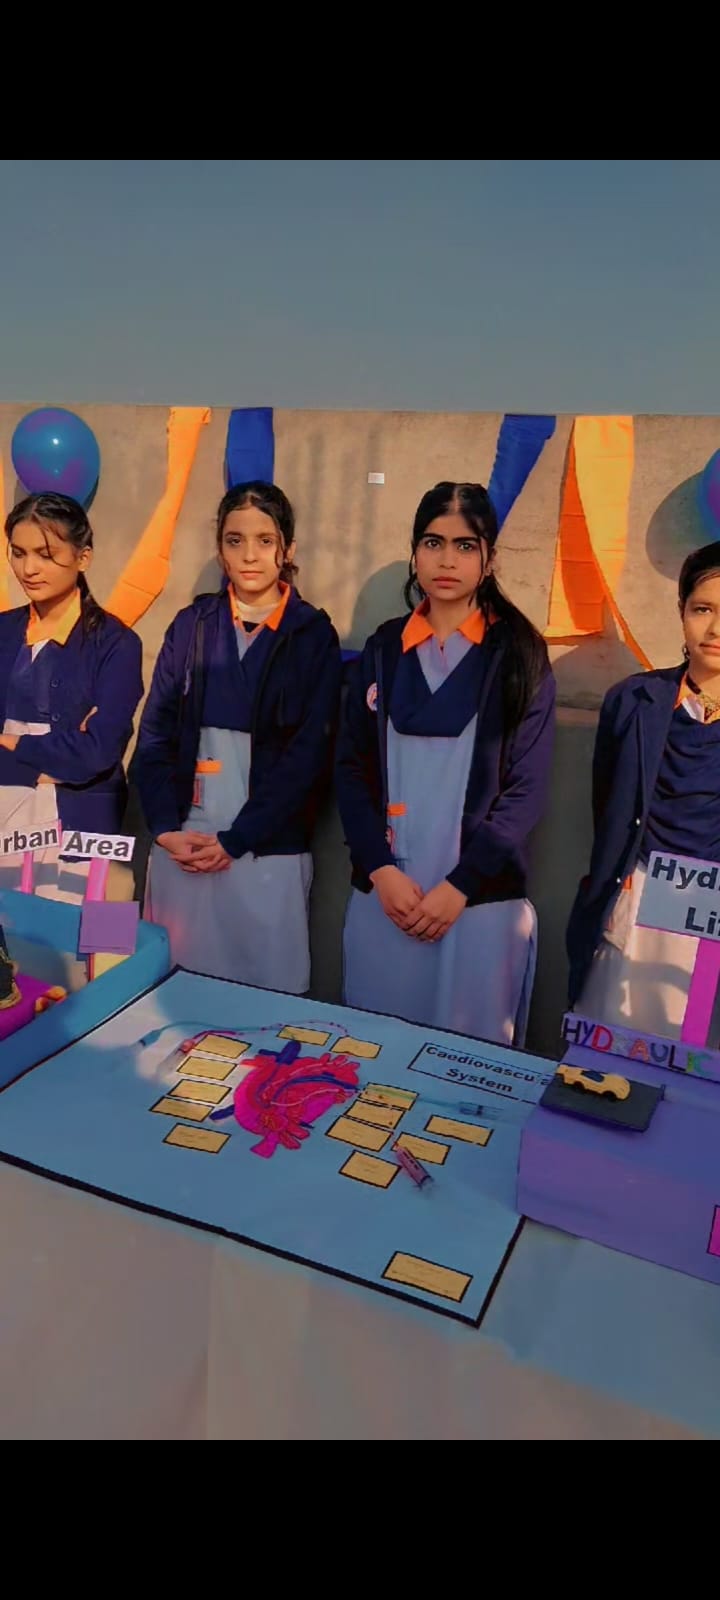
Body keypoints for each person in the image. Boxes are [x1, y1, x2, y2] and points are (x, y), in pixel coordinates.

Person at [335, 481, 556, 1044]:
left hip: (476, 904)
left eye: (465, 545)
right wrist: (380, 869)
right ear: (415, 552)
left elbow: (526, 791)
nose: (447, 560)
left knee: (465, 1070)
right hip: (389, 896)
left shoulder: (520, 654)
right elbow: (351, 771)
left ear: (489, 558)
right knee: (373, 1057)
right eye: (433, 543)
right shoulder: (383, 650)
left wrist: (460, 886)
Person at [133, 481, 341, 991]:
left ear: (287, 549)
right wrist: (165, 828)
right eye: (234, 540)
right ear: (219, 548)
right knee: (173, 995)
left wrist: (237, 839)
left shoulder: (311, 635)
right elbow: (155, 734)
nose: (249, 555)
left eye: (265, 541)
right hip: (184, 847)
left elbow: (309, 755)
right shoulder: (192, 626)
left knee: (262, 1005)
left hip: (266, 853)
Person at [568, 542, 720, 1040]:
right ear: (681, 611)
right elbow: (607, 802)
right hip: (630, 895)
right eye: (703, 609)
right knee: (604, 1043)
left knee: (686, 1047)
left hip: (707, 918)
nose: (715, 629)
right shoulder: (633, 700)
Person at [0, 493, 143, 902]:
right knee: (12, 935)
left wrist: (10, 742)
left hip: (86, 831)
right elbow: (79, 751)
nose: (28, 568)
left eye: (46, 555)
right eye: (19, 553)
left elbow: (97, 751)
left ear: (83, 557)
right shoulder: (3, 631)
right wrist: (48, 763)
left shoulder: (117, 643)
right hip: (5, 820)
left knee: (92, 935)